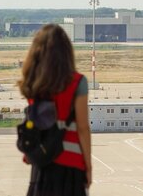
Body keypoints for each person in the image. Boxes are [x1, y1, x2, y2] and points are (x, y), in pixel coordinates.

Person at [18, 24, 91, 196]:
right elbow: (82, 128)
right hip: (70, 167)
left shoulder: (32, 84)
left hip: (41, 165)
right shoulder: (77, 82)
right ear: (66, 51)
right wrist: (88, 166)